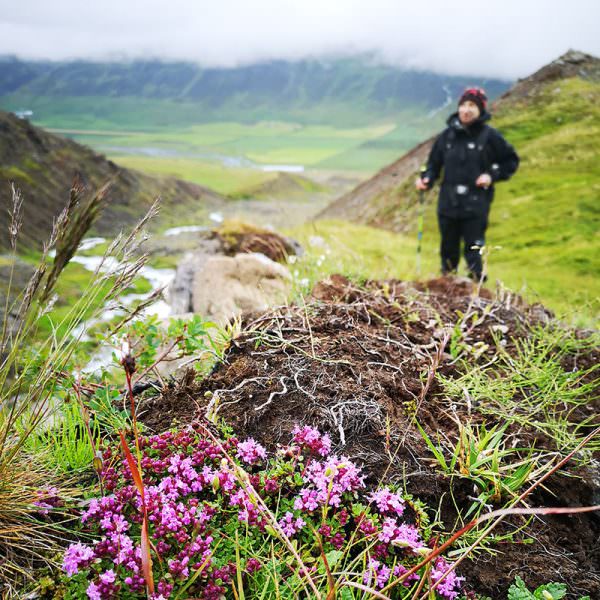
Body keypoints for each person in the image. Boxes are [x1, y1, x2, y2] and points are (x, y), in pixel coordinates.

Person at [415, 87, 519, 280]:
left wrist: (491, 175)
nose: (466, 109)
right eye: (463, 105)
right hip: (448, 204)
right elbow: (433, 164)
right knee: (448, 250)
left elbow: (511, 160)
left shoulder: (490, 137)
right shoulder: (446, 137)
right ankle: (447, 287)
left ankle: (476, 293)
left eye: (472, 105)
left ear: (480, 110)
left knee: (474, 251)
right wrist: (426, 179)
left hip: (476, 205)